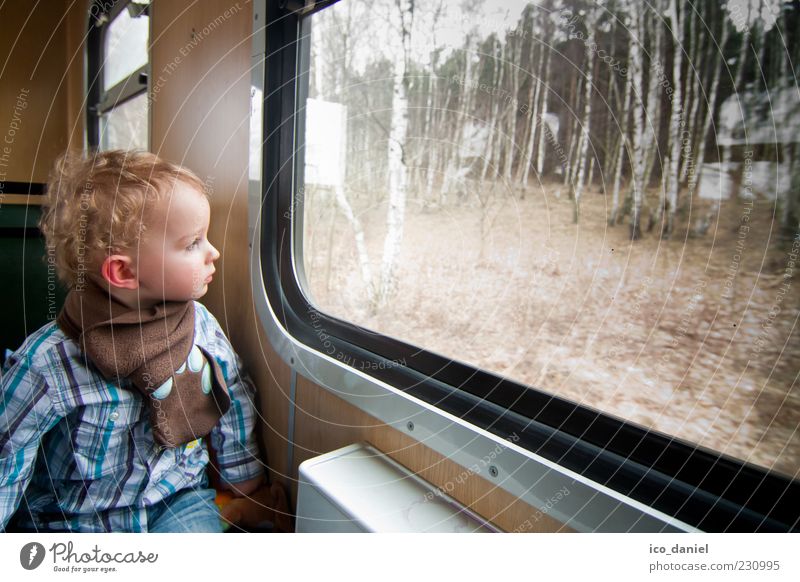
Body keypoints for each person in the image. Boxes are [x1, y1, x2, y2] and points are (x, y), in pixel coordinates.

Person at [0, 150, 287, 532]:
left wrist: (243, 480)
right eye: (193, 243)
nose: (213, 251)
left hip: (177, 498)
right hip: (73, 515)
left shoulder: (199, 325)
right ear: (123, 271)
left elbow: (230, 393)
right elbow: (8, 453)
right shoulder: (47, 364)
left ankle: (230, 512)